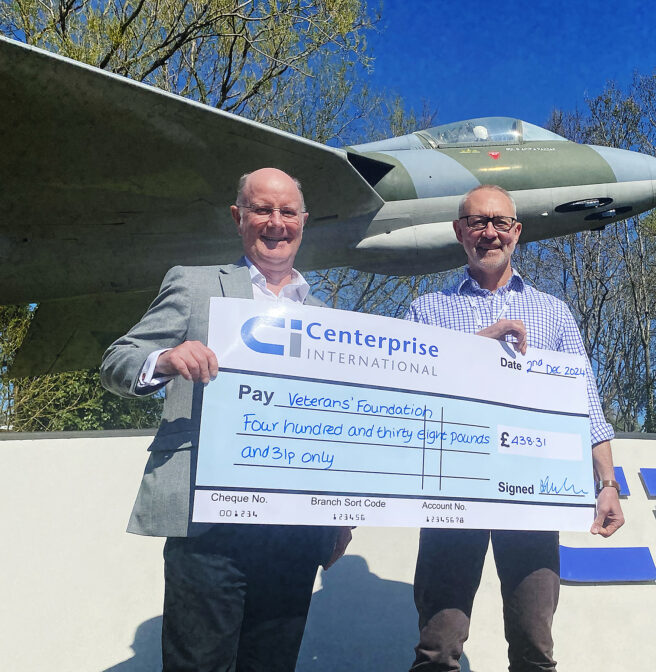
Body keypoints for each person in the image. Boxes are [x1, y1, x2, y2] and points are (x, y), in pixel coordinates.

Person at [100, 167, 351, 672]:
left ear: (303, 222)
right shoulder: (194, 285)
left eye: (287, 212)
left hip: (294, 528)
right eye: (262, 209)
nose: (276, 222)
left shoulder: (329, 317)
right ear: (238, 218)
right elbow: (117, 361)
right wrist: (166, 359)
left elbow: (336, 421)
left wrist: (339, 514)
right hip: (209, 521)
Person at [405, 184, 625, 672]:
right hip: (452, 490)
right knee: (437, 646)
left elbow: (586, 404)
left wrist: (608, 483)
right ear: (459, 231)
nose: (490, 232)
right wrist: (478, 347)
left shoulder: (553, 312)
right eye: (477, 222)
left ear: (517, 231)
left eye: (500, 222)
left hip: (533, 493)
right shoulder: (425, 310)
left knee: (534, 645)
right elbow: (411, 395)